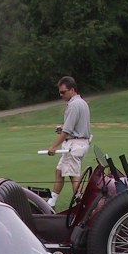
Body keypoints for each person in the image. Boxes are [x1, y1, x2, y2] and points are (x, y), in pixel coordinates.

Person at [45, 76, 91, 210]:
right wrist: (63, 128)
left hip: (74, 145)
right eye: (60, 92)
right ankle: (51, 203)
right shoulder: (82, 102)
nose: (61, 95)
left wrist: (53, 147)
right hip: (79, 143)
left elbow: (67, 131)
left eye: (63, 92)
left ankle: (82, 205)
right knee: (59, 172)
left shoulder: (73, 105)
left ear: (72, 90)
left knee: (73, 176)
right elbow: (74, 126)